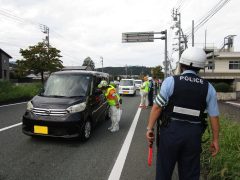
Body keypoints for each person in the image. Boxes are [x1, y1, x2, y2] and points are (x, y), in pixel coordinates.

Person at [146, 47, 220, 180]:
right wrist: (215, 140)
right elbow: (213, 117)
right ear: (200, 67)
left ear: (181, 64)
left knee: (164, 171)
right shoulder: (209, 88)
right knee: (190, 174)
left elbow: (157, 107)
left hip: (170, 132)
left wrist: (149, 128)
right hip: (193, 135)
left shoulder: (171, 81)